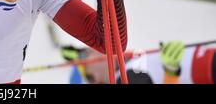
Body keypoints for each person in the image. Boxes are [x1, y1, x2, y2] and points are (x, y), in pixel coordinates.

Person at [61, 41, 216, 84]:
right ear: (93, 78)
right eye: (87, 56)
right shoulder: (124, 79)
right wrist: (171, 72)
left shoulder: (127, 64)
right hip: (207, 71)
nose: (92, 50)